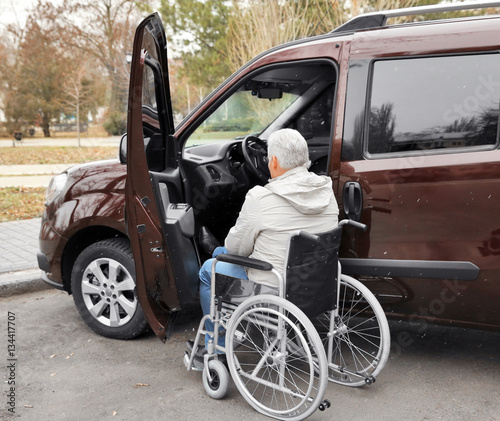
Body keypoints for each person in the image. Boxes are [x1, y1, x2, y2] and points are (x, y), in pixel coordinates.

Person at [187, 128, 339, 363]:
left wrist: (227, 249)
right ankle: (217, 251)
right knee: (234, 252)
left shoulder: (261, 197)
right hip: (316, 285)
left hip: (273, 287)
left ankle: (216, 346)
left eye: (268, 158)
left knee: (210, 268)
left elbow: (238, 249)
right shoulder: (327, 190)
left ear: (275, 161)